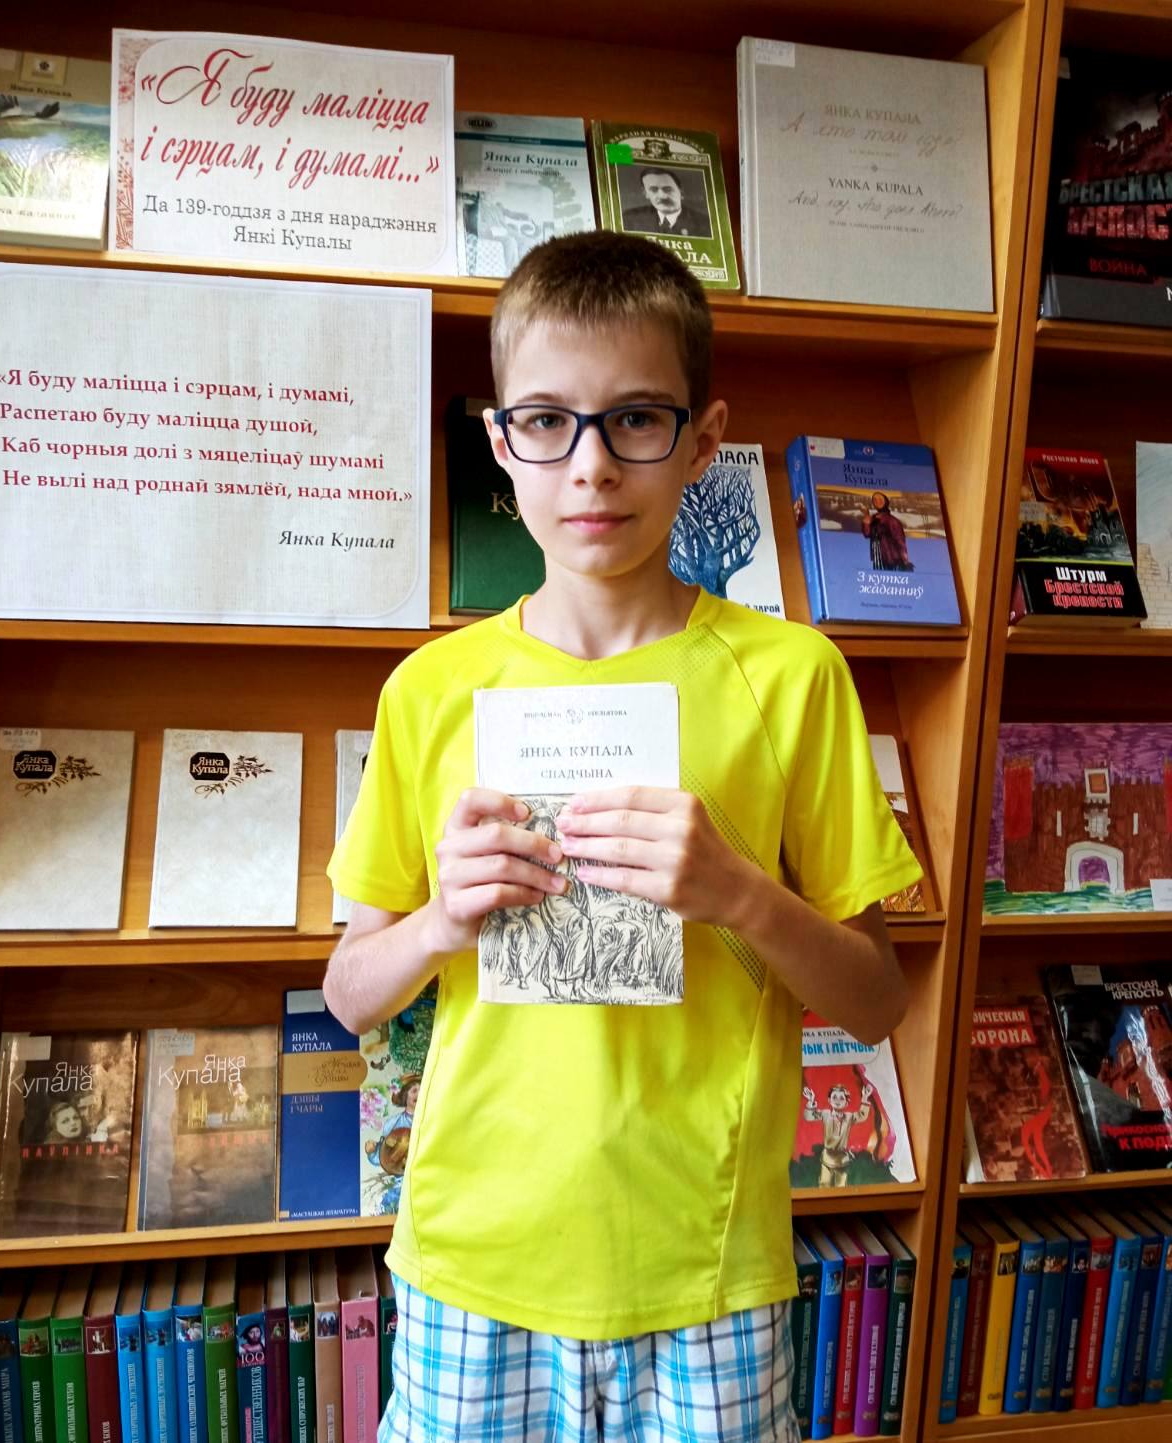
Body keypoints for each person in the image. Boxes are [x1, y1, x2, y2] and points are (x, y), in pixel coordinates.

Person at [323, 229, 920, 1442]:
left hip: (702, 1264)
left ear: (703, 440)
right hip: (473, 1255)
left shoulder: (792, 676)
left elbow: (874, 1002)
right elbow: (349, 995)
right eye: (548, 422)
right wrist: (440, 920)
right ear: (500, 443)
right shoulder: (430, 692)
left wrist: (739, 892)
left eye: (636, 419)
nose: (591, 467)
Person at [622, 168, 712, 238]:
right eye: (653, 190)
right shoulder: (629, 218)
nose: (662, 196)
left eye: (668, 189)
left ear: (681, 193)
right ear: (646, 194)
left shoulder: (705, 223)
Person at [861, 490, 914, 571]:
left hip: (892, 557)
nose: (877, 502)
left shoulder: (892, 520)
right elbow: (867, 534)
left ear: (885, 501)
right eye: (874, 500)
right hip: (877, 555)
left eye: (880, 499)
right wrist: (866, 518)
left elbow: (900, 541)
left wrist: (905, 560)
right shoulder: (873, 518)